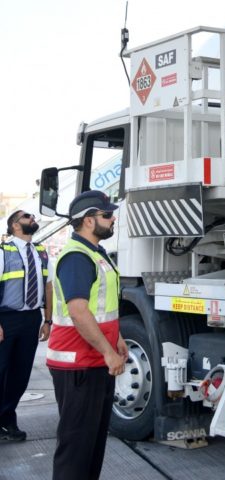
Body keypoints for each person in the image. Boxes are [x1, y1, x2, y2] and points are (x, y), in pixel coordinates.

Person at [47, 190, 128, 480]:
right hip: (78, 365)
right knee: (76, 451)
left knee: (90, 449)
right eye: (107, 215)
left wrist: (115, 340)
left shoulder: (94, 253)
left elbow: (100, 305)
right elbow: (79, 310)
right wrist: (108, 351)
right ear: (89, 221)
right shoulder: (77, 257)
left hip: (92, 363)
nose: (112, 218)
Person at [0, 209, 52, 441]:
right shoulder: (3, 252)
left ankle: (7, 421)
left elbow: (48, 287)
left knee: (20, 375)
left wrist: (47, 319)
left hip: (31, 319)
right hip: (6, 319)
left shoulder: (41, 252)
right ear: (14, 225)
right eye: (27, 217)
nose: (33, 219)